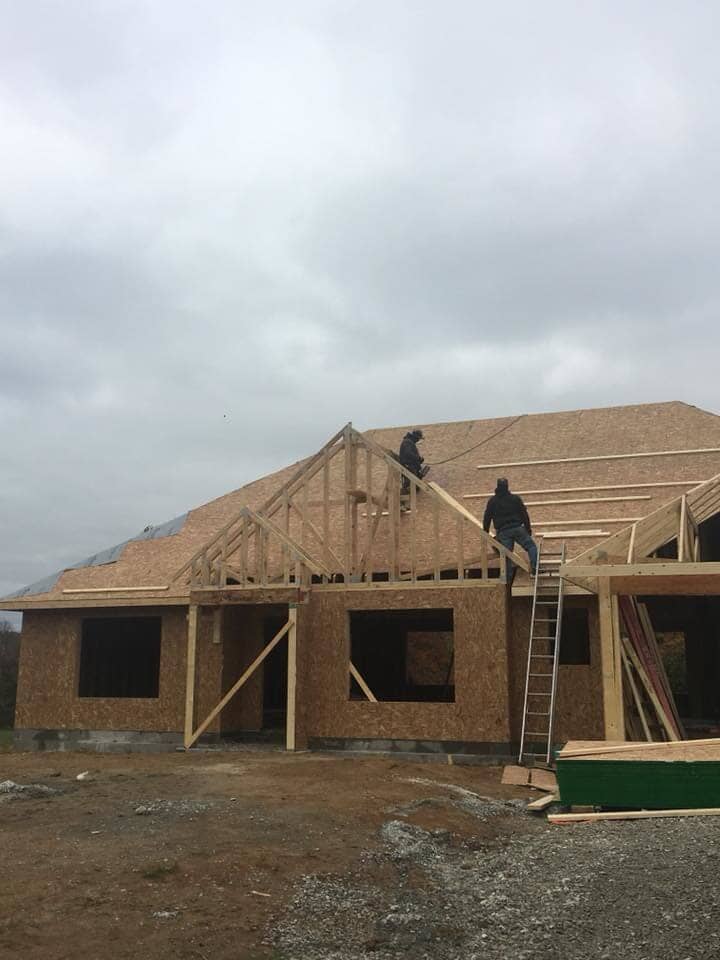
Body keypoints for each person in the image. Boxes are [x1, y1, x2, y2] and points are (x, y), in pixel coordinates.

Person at [483, 477, 537, 578]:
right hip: (517, 528)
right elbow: (524, 514)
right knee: (531, 546)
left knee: (506, 557)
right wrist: (528, 529)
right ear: (507, 487)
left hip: (503, 532)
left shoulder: (492, 501)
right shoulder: (515, 499)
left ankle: (507, 580)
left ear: (497, 487)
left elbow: (487, 517)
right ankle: (535, 569)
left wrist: (485, 533)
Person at [398, 429, 429, 495]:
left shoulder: (409, 442)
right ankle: (401, 500)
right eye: (418, 439)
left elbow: (411, 456)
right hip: (408, 467)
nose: (418, 440)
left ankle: (407, 495)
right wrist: (418, 458)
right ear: (415, 437)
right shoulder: (407, 442)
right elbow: (408, 453)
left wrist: (419, 460)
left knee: (414, 484)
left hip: (411, 467)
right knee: (408, 484)